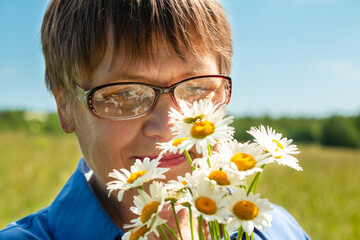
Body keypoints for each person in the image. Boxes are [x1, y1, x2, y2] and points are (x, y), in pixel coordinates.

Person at [0, 0, 311, 239]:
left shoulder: (275, 229)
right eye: (124, 95)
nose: (168, 127)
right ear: (65, 106)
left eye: (197, 88)